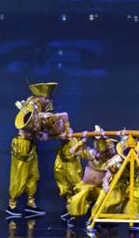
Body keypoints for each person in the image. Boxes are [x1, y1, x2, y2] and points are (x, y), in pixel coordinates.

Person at [7, 81, 71, 218]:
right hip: (22, 144)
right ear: (38, 97)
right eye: (46, 98)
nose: (48, 100)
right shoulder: (32, 106)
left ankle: (31, 203)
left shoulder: (40, 108)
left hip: (31, 144)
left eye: (49, 98)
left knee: (33, 174)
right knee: (19, 175)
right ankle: (12, 204)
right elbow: (36, 129)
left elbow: (42, 133)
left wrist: (56, 131)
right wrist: (54, 131)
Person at [64, 129, 118, 228]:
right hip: (87, 185)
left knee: (104, 197)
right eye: (98, 152)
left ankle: (95, 218)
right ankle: (72, 215)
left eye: (102, 153)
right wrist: (82, 141)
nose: (99, 155)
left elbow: (112, 164)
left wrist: (110, 145)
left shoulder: (109, 160)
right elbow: (72, 151)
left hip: (100, 188)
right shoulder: (91, 153)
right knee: (80, 195)